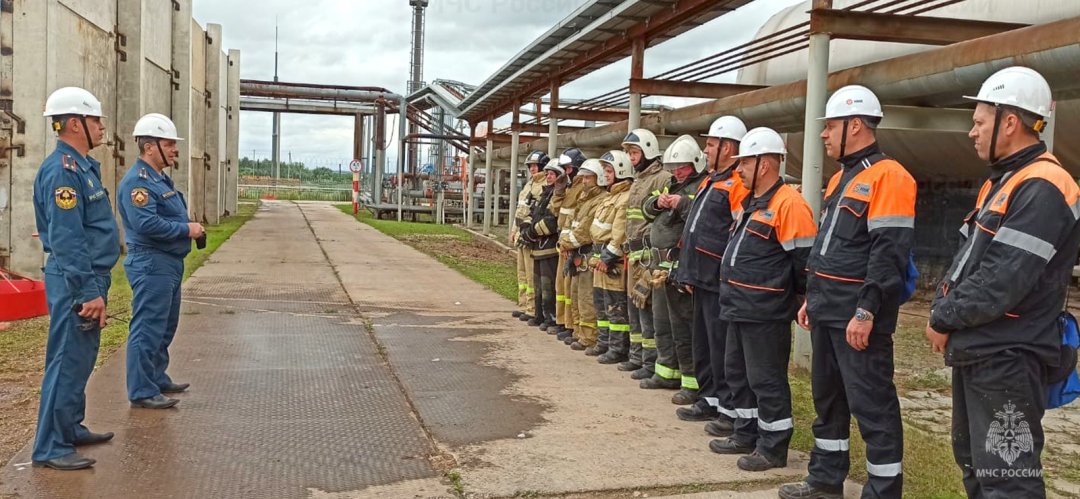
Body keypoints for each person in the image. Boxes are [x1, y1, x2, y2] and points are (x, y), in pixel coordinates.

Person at [926, 66, 1079, 498]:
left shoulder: (1045, 185)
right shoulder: (1005, 182)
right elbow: (966, 264)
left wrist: (943, 317)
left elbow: (1003, 278)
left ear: (1009, 122)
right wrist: (946, 310)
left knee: (1008, 478)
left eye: (979, 122)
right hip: (985, 348)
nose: (971, 132)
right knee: (977, 466)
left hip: (1009, 353)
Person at [781, 85, 916, 499]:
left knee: (872, 407)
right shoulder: (842, 178)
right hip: (827, 311)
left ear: (855, 126)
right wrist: (812, 299)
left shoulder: (890, 177)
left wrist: (867, 311)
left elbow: (888, 253)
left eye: (831, 126)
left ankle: (883, 490)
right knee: (829, 402)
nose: (823, 135)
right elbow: (831, 247)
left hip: (858, 319)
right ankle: (825, 480)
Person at [709, 127, 816, 472]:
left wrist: (800, 299)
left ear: (765, 164)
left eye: (744, 163)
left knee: (766, 379)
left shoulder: (791, 204)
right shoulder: (752, 204)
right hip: (738, 306)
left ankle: (773, 447)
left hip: (765, 311)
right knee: (738, 374)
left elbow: (804, 264)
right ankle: (746, 432)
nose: (738, 169)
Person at [31, 87, 119, 470]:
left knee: (80, 360)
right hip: (76, 281)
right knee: (67, 360)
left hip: (89, 277)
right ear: (73, 123)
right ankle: (51, 446)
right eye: (96, 120)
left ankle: (70, 427)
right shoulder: (63, 173)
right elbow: (68, 239)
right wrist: (87, 291)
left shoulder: (82, 166)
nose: (102, 127)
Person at [117, 113, 203, 410]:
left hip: (167, 263)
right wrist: (186, 229)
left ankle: (155, 377)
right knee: (148, 326)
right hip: (151, 263)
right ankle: (141, 390)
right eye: (169, 143)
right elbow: (146, 224)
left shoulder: (158, 178)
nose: (175, 149)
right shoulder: (137, 183)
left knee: (165, 325)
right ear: (149, 146)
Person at [674, 116, 749, 429]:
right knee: (702, 343)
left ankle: (727, 407)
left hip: (719, 280)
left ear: (728, 147)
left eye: (711, 144)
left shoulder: (739, 184)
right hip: (700, 278)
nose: (706, 150)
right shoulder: (710, 180)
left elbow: (738, 233)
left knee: (721, 347)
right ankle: (709, 399)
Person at [641, 135, 708, 404]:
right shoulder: (670, 185)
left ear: (695, 164)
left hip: (680, 267)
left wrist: (680, 204)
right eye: (674, 166)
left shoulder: (700, 188)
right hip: (659, 269)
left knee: (684, 327)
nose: (677, 171)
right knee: (662, 322)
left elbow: (702, 218)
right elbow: (645, 208)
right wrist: (657, 203)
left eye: (682, 166)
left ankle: (691, 383)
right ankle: (666, 371)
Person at [622, 129, 671, 378]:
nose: (631, 157)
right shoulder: (639, 180)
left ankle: (651, 363)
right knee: (634, 306)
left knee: (647, 307)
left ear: (649, 151)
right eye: (629, 153)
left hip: (648, 255)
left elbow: (661, 221)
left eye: (635, 152)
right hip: (633, 254)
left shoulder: (662, 178)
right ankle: (637, 356)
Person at [558, 158, 610, 351]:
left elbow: (585, 230)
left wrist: (565, 243)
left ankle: (589, 337)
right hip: (576, 253)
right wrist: (565, 243)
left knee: (587, 298)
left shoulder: (600, 200)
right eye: (583, 177)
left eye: (588, 177)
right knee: (576, 295)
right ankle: (579, 332)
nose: (584, 181)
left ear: (599, 178)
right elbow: (572, 223)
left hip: (587, 254)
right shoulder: (584, 198)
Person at [591, 151, 635, 363]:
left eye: (609, 171)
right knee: (601, 304)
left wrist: (607, 256)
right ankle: (604, 342)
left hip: (612, 261)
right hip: (600, 257)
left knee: (615, 307)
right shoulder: (611, 196)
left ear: (620, 171)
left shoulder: (624, 198)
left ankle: (617, 348)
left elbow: (618, 233)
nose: (606, 175)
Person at [549, 148, 587, 341]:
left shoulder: (581, 187)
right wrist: (559, 189)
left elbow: (578, 218)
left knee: (570, 288)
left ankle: (572, 326)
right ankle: (564, 322)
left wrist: (570, 244)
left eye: (568, 167)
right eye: (564, 168)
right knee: (561, 288)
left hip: (571, 244)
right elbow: (555, 210)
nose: (566, 171)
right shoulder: (570, 187)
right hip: (563, 243)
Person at [521, 160, 563, 332]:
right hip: (538, 248)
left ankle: (550, 318)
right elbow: (534, 213)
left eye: (552, 174)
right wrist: (526, 229)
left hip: (549, 248)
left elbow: (551, 221)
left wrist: (532, 232)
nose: (549, 177)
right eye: (547, 174)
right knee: (537, 284)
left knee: (548, 286)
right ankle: (539, 315)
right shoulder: (546, 194)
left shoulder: (558, 195)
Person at [512, 150, 549, 324]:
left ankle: (532, 308)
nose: (532, 169)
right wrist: (514, 229)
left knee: (530, 273)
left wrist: (528, 231)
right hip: (520, 231)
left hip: (529, 234)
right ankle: (523, 304)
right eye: (530, 166)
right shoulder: (529, 184)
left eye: (535, 165)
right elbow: (520, 209)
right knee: (521, 273)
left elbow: (535, 212)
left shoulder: (542, 186)